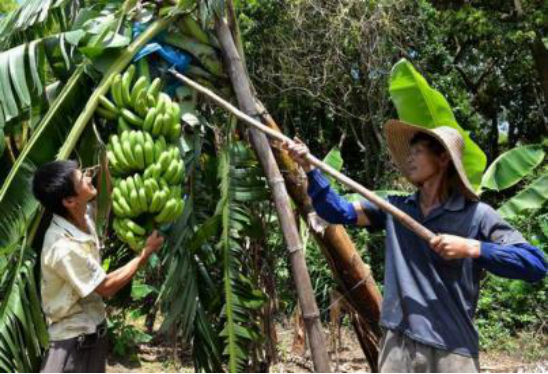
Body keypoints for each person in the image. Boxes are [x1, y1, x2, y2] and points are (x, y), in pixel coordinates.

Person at [285, 120, 547, 374]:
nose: (409, 158)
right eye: (409, 152)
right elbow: (337, 211)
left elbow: (535, 264)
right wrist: (310, 169)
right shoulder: (395, 209)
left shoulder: (477, 216)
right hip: (398, 344)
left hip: (453, 349)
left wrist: (473, 248)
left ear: (443, 159)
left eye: (417, 152)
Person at [33, 161, 165, 373]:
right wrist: (145, 254)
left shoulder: (84, 215)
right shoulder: (63, 246)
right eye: (82, 178)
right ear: (69, 200)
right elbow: (106, 287)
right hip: (70, 345)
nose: (88, 178)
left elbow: (105, 189)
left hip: (94, 336)